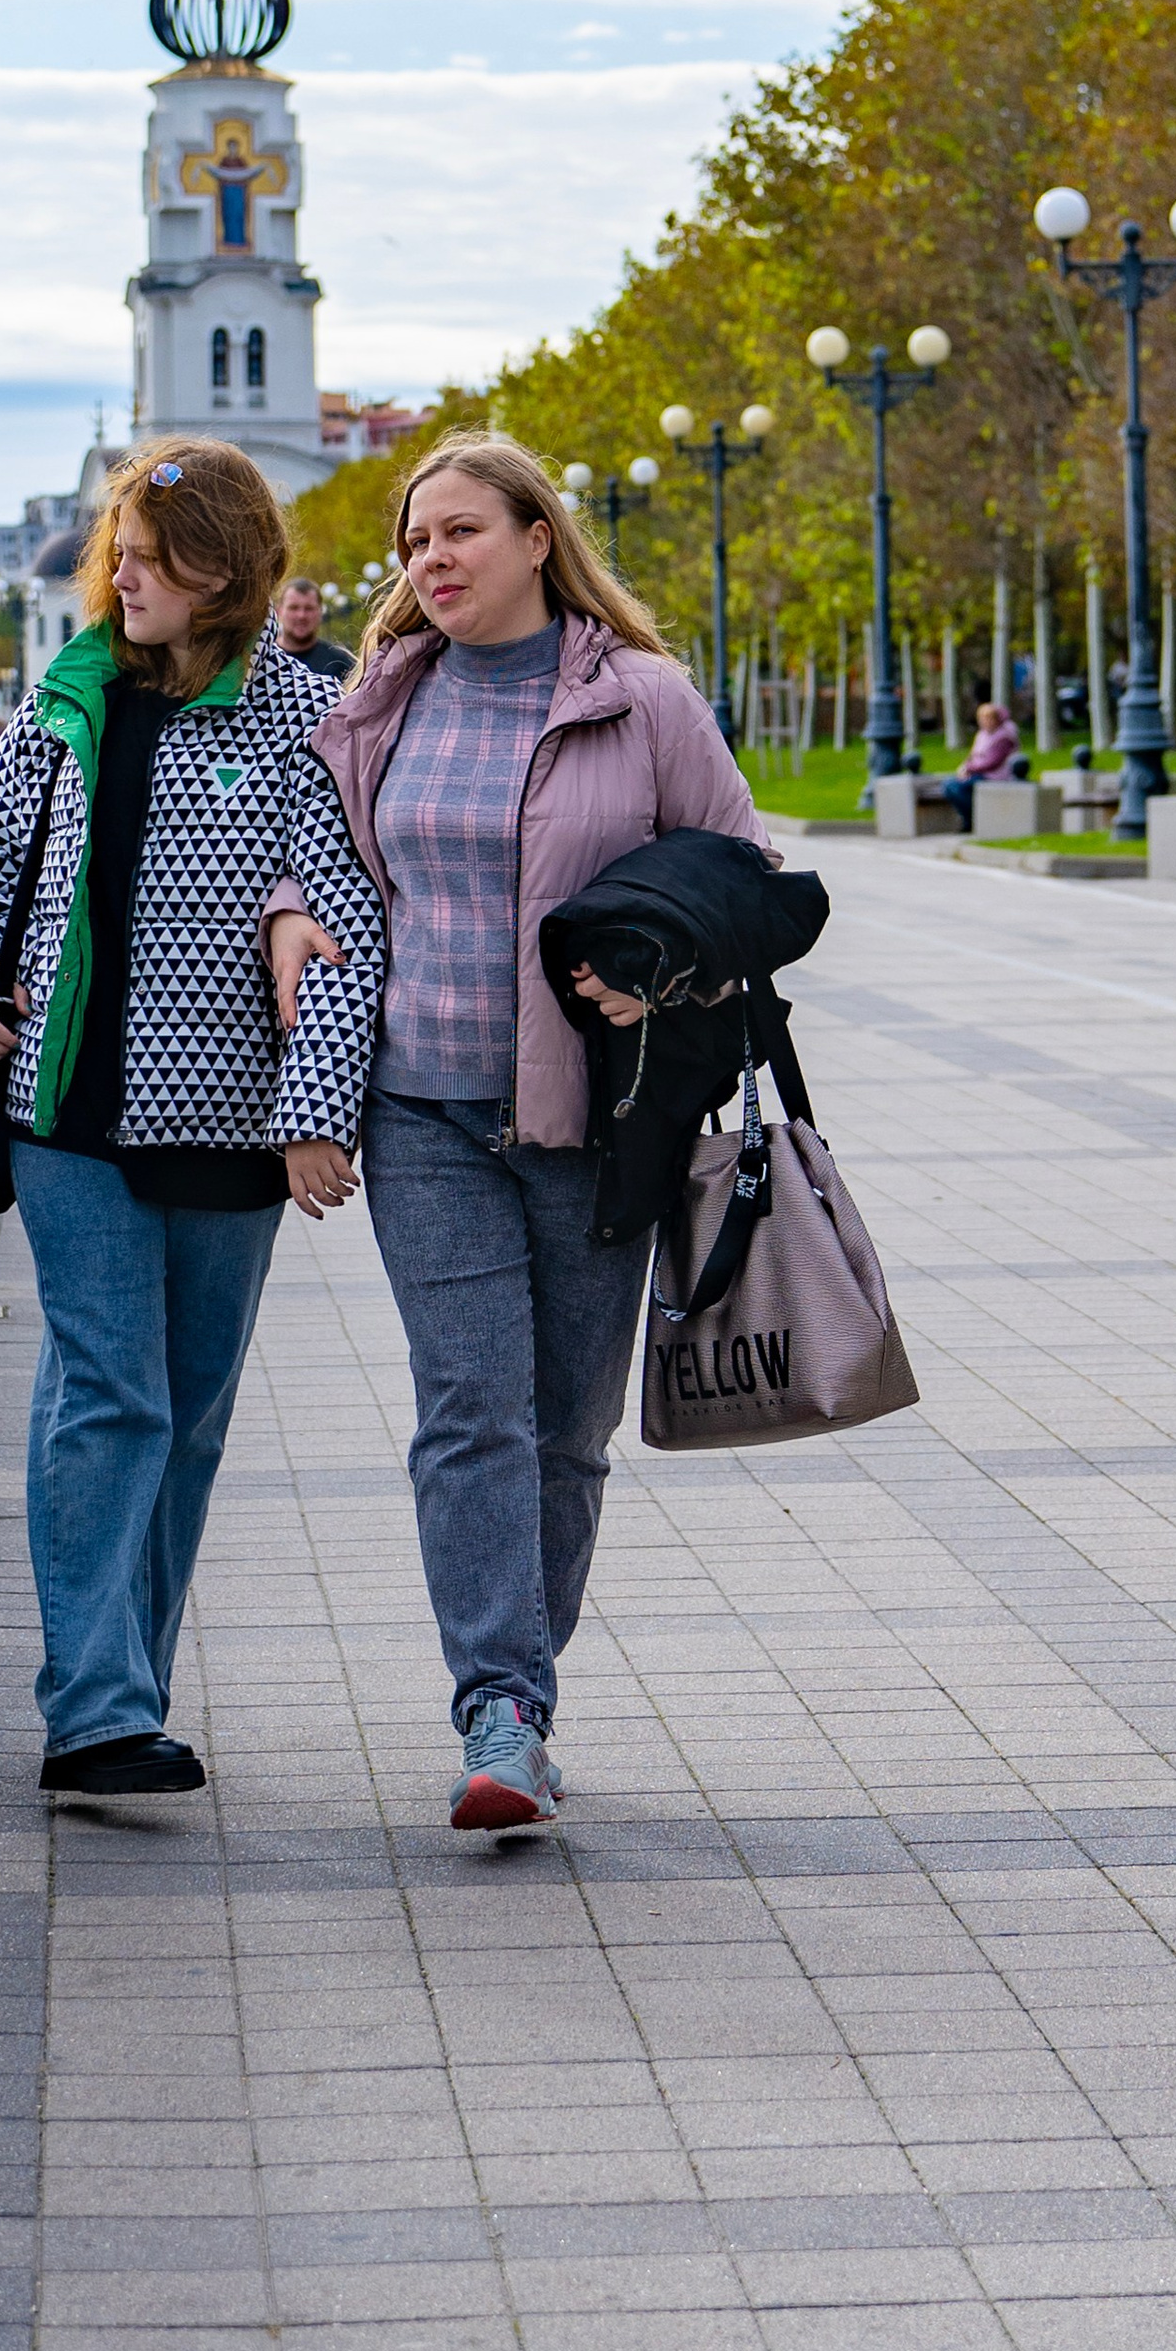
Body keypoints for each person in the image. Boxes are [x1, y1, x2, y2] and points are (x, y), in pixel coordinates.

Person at [269, 434, 769, 1835]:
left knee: (570, 1427)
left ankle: (521, 1702)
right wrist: (302, 1020)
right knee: (468, 1411)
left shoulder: (647, 702)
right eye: (414, 541)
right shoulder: (381, 701)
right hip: (420, 1110)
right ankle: (500, 1708)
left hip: (598, 1120)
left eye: (460, 533)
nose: (430, 561)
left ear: (538, 538)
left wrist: (659, 972)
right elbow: (322, 888)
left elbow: (750, 879)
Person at [0, 443, 382, 1800]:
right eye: (116, 549)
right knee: (109, 1390)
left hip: (233, 1121)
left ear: (222, 572)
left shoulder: (312, 715)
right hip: (62, 1112)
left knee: (185, 1420)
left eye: (144, 552)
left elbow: (339, 917)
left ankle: (131, 1685)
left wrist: (314, 1117)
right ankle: (95, 1711)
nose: (116, 572)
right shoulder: (67, 702)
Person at [941, 696, 1021, 833]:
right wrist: (964, 767)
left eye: (988, 718)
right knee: (949, 784)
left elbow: (993, 762)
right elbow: (972, 756)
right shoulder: (982, 735)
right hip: (977, 773)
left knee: (954, 787)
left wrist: (969, 769)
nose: (984, 722)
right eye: (982, 718)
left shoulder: (1004, 737)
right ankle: (970, 818)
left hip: (994, 775)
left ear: (996, 720)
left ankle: (972, 819)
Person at [276, 574, 353, 682]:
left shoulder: (341, 664)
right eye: (293, 608)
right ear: (279, 611)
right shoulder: (264, 659)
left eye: (309, 608)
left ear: (321, 611)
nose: (301, 615)